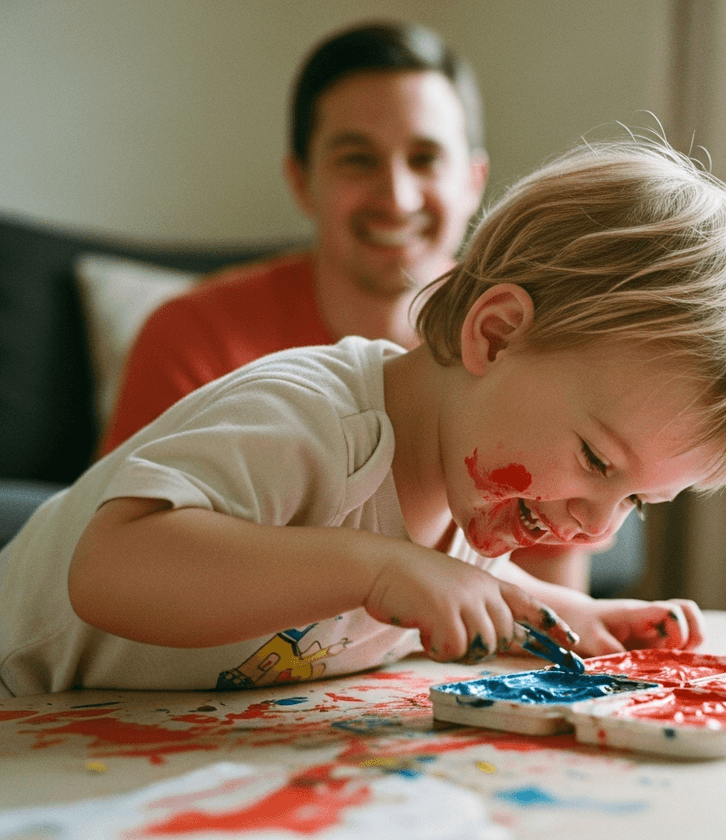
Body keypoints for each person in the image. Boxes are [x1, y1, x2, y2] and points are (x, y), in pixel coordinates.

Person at [0, 136, 726, 703]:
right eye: (598, 461)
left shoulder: (470, 483)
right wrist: (376, 570)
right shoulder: (312, 420)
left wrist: (570, 616)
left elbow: (465, 585)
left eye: (637, 501)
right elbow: (109, 570)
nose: (597, 529)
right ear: (495, 335)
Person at [101, 20, 592, 591]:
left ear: (473, 180)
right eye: (357, 159)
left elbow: (554, 600)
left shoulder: (531, 352)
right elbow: (125, 565)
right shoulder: (193, 337)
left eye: (425, 158)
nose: (396, 198)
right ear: (302, 181)